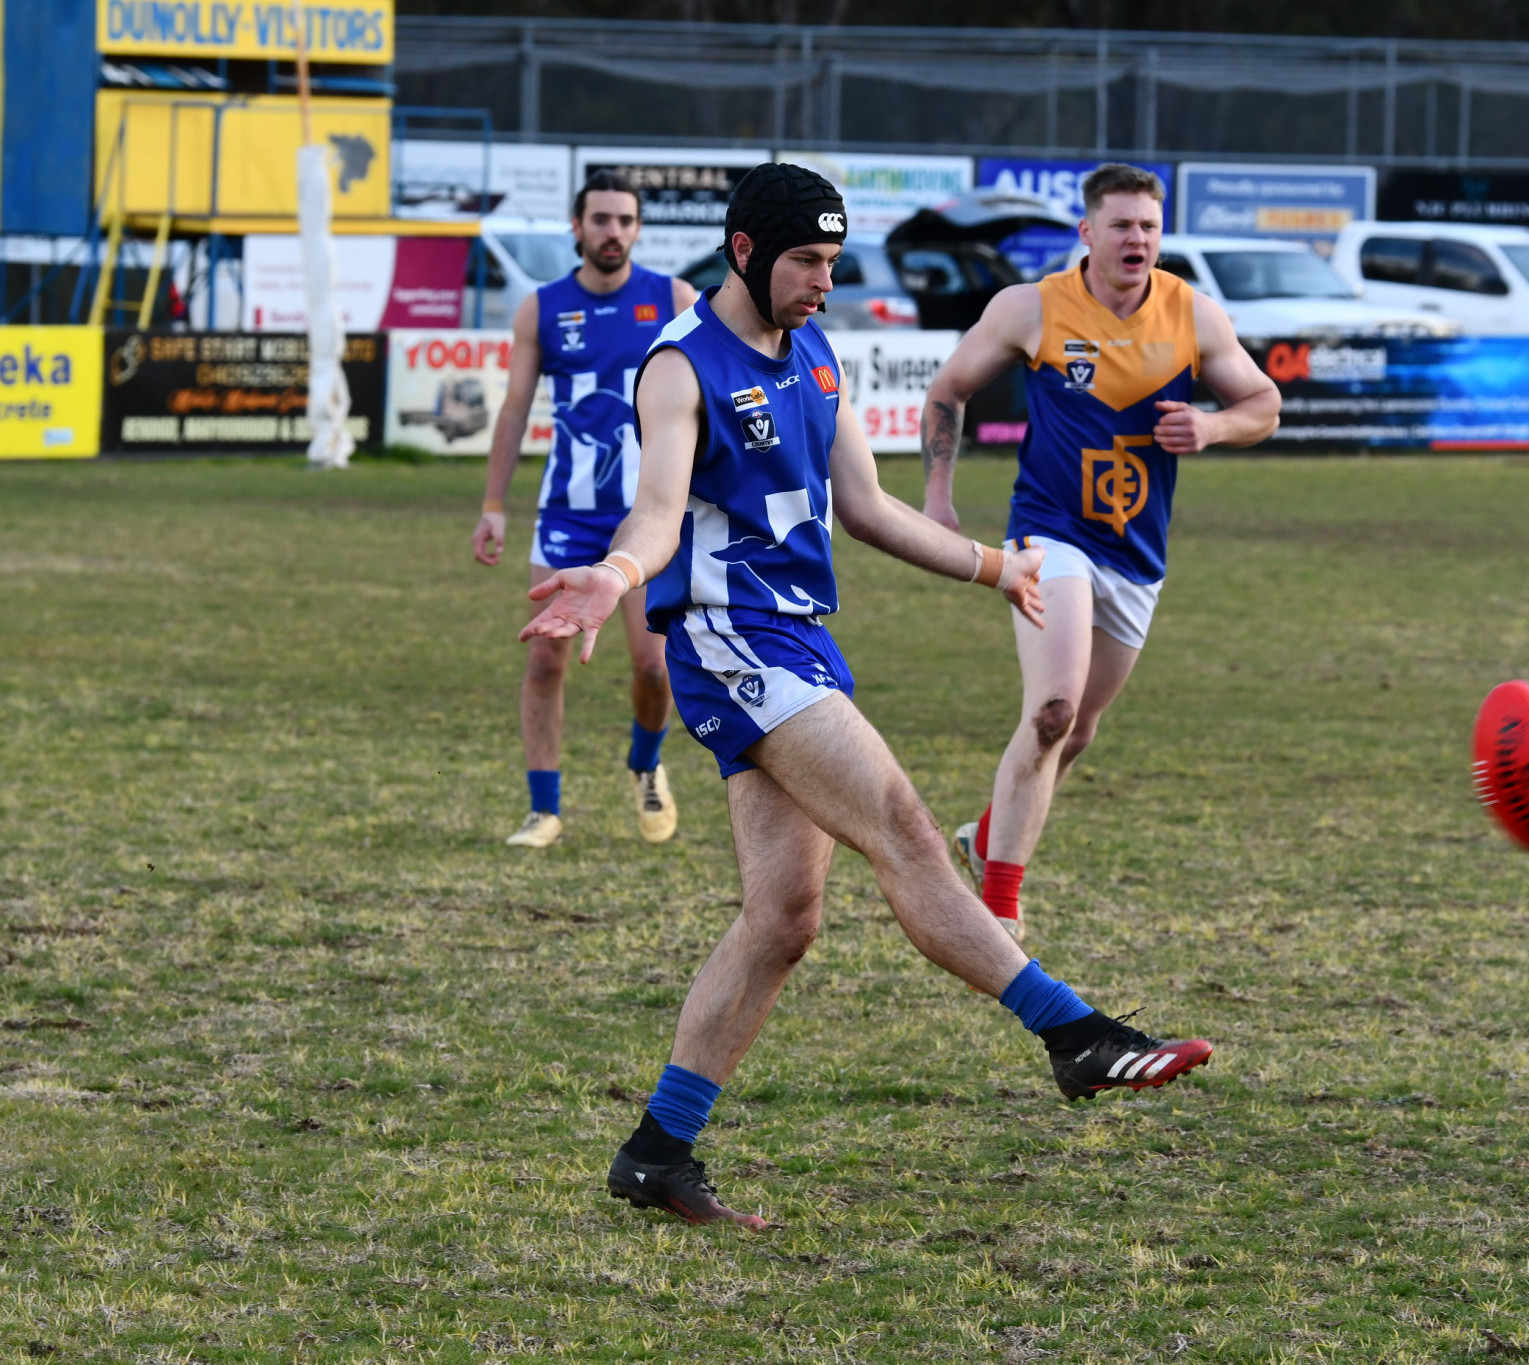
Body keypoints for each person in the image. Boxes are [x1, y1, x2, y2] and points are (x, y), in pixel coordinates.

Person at [519, 163, 1216, 1228]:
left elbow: (869, 507)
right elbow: (657, 514)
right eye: (805, 259)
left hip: (797, 641)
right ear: (746, 251)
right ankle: (1076, 1036)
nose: (822, 281)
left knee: (783, 920)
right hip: (727, 642)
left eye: (833, 262)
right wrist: (613, 577)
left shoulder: (814, 354)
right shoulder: (679, 366)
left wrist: (995, 566)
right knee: (903, 827)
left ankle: (657, 1152)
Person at [917, 163, 1282, 939]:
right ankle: (1001, 910)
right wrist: (938, 499)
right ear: (1087, 233)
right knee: (1051, 710)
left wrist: (1212, 427)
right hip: (1051, 532)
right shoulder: (1033, 307)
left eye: (1149, 226)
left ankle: (984, 839)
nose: (1137, 240)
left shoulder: (1192, 313)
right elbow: (948, 388)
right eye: (1121, 225)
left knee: (1077, 730)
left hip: (1137, 551)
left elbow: (1264, 405)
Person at [473, 171, 700, 848]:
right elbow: (514, 409)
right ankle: (544, 808)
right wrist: (493, 505)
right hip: (566, 514)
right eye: (601, 219)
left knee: (654, 665)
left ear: (637, 229)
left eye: (626, 221)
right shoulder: (541, 307)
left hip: (648, 517)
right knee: (545, 659)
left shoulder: (675, 299)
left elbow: (712, 393)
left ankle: (647, 763)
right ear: (577, 227)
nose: (614, 232)